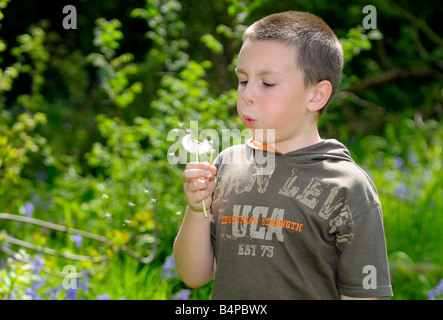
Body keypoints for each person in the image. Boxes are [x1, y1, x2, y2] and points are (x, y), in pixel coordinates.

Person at [173, 11, 393, 300]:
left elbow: (361, 296)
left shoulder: (346, 186)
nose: (247, 94)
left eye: (267, 83)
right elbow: (193, 275)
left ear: (316, 96)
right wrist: (196, 208)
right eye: (242, 80)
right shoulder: (226, 165)